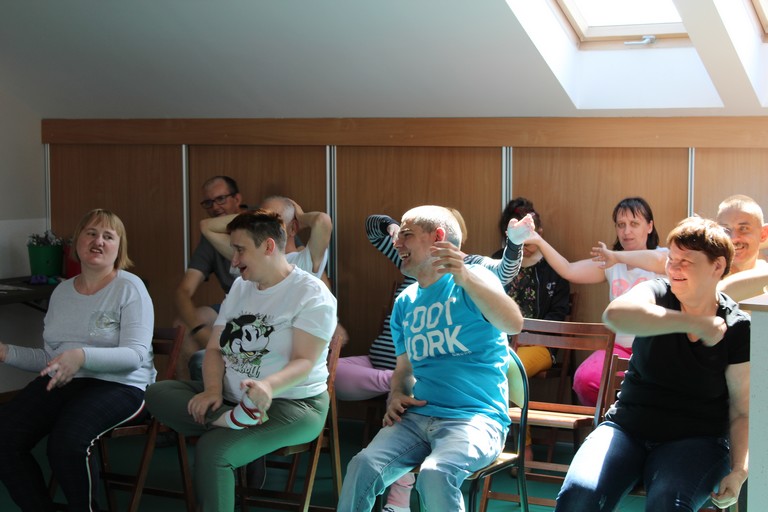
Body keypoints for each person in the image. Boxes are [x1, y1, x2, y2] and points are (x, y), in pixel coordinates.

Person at [336, 209, 532, 512]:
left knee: (436, 472)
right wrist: (397, 393)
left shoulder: (475, 278)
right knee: (363, 465)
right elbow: (404, 368)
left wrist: (465, 277)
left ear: (438, 238)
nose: (397, 243)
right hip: (416, 419)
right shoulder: (405, 302)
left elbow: (513, 323)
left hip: (476, 419)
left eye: (407, 234)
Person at [145, 210, 337, 512]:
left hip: (294, 405)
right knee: (157, 392)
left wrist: (267, 387)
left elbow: (303, 362)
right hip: (232, 400)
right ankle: (230, 419)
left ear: (269, 246)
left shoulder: (311, 294)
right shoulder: (240, 287)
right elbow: (214, 349)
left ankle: (228, 422)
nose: (233, 261)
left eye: (240, 250)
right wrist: (211, 390)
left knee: (213, 451)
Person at [555, 216, 749, 511]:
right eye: (672, 259)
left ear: (717, 266)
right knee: (578, 495)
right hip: (626, 429)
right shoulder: (655, 292)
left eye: (686, 261)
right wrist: (693, 323)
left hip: (697, 440)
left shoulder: (737, 326)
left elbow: (742, 411)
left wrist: (739, 471)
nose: (674, 268)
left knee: (668, 503)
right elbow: (615, 315)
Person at [0, 208, 155, 512]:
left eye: (108, 236)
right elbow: (52, 360)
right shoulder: (61, 292)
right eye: (91, 233)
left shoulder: (130, 287)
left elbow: (135, 356)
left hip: (122, 386)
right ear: (77, 243)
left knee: (67, 442)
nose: (98, 241)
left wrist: (81, 356)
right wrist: (6, 352)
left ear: (119, 247)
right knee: (4, 437)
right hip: (68, 381)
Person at [524, 196, 666, 406]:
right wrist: (538, 240)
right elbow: (569, 270)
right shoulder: (611, 262)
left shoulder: (663, 256)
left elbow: (660, 261)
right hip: (620, 349)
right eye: (621, 225)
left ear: (650, 226)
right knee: (584, 380)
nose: (627, 231)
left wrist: (617, 257)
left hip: (658, 351)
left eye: (634, 224)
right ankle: (613, 419)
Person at [493, 197, 570, 461]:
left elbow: (558, 314)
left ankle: (522, 446)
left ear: (539, 233)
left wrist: (527, 336)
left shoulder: (552, 266)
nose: (524, 245)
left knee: (509, 367)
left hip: (541, 345)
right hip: (499, 342)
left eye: (529, 237)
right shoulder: (496, 261)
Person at [592, 194, 768, 304]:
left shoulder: (763, 272)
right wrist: (616, 257)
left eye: (744, 229)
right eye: (726, 230)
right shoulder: (696, 269)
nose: (734, 238)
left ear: (763, 234)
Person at [175, 175, 245, 380]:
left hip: (267, 306)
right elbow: (183, 291)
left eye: (221, 199)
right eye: (208, 202)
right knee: (182, 324)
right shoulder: (210, 239)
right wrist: (198, 329)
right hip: (232, 307)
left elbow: (309, 265)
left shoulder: (261, 223)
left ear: (237, 199)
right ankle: (189, 393)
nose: (215, 207)